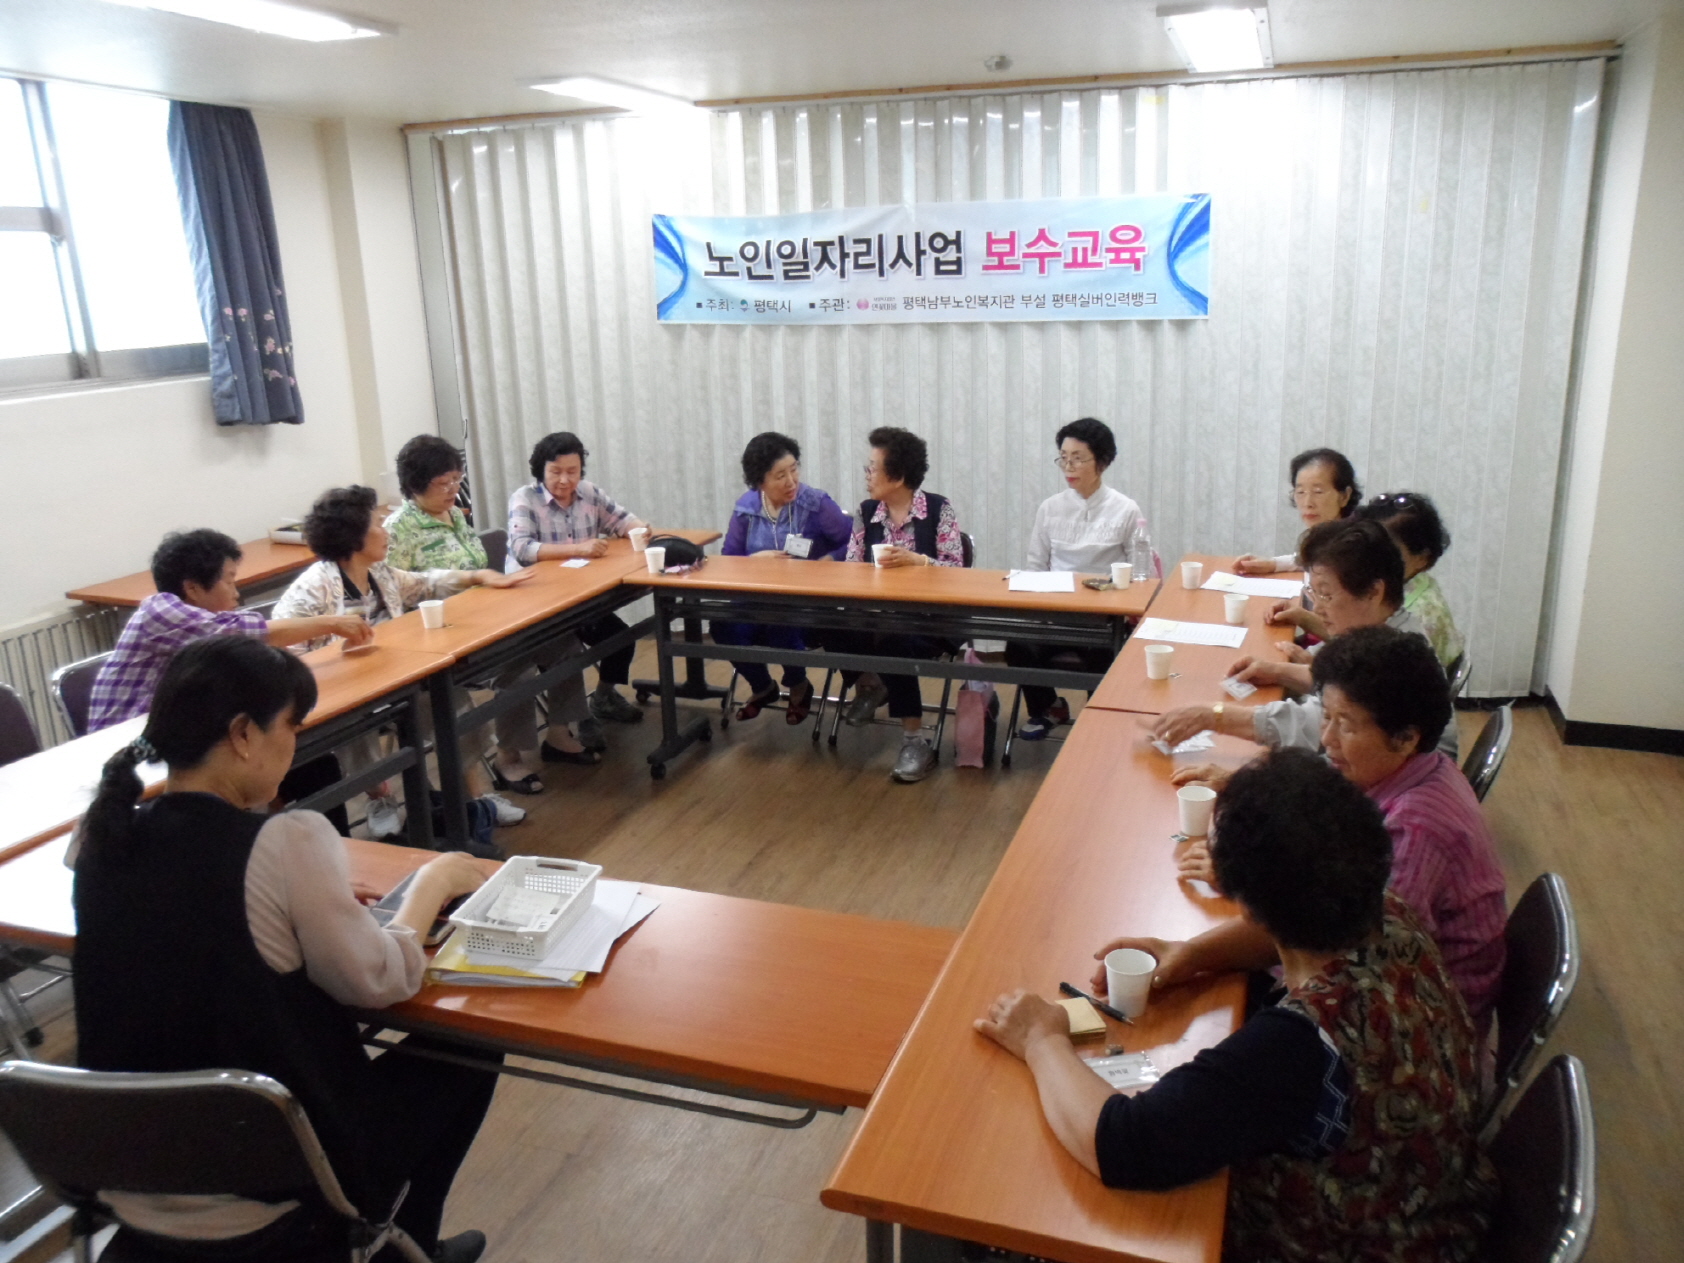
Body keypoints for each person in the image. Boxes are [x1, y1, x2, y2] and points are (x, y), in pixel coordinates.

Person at [72, 636, 496, 1263]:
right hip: (275, 1179)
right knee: (469, 1046)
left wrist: (313, 904)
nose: (296, 745)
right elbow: (380, 979)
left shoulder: (100, 836)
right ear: (243, 734)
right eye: (292, 726)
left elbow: (193, 915)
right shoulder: (286, 840)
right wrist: (433, 881)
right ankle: (401, 1246)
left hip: (128, 1166)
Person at [977, 748, 1494, 1262]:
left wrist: (1041, 1039)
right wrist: (1191, 954)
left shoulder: (1297, 1043)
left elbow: (1124, 1145)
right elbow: (1275, 932)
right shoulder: (1387, 913)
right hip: (1440, 1212)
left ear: (1245, 900)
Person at [1169, 627, 1506, 1035]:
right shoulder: (1408, 768)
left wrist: (1246, 886)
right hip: (1375, 986)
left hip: (1410, 1027)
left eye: (1345, 725)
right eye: (1326, 716)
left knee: (1195, 1014)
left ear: (1405, 738)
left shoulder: (1415, 829)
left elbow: (1340, 946)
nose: (1327, 738)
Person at [275, 486, 535, 836]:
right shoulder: (312, 588)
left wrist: (477, 576)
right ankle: (380, 798)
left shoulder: (379, 572)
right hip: (344, 691)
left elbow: (425, 583)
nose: (386, 531)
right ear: (353, 537)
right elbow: (284, 654)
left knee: (451, 704)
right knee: (354, 725)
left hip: (397, 679)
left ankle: (475, 797)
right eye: (377, 524)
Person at [1151, 517, 1458, 760]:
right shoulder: (1380, 631)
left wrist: (1212, 716)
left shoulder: (1390, 655)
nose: (1318, 608)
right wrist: (1278, 671)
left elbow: (1310, 726)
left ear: (1374, 591)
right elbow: (1341, 687)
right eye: (1313, 592)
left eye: (1326, 594)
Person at [384, 435, 561, 793]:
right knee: (517, 669)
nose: (454, 489)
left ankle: (523, 749)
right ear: (416, 485)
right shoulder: (398, 530)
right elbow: (392, 596)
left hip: (482, 623)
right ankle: (498, 768)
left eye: (457, 479)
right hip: (437, 639)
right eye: (443, 483)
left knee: (551, 647)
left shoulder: (454, 515)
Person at [87, 528, 372, 731]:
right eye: (229, 581)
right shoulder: (160, 611)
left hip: (170, 731)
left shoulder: (200, 619)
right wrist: (333, 622)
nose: (236, 593)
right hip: (124, 744)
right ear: (193, 588)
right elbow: (249, 634)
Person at [824, 426, 964, 784]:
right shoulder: (867, 511)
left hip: (927, 618)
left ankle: (915, 741)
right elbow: (851, 567)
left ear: (898, 476)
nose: (867, 475)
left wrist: (920, 562)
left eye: (873, 468)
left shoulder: (939, 510)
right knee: (825, 624)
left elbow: (958, 573)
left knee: (894, 642)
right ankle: (871, 682)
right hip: (875, 614)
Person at [1005, 418, 1148, 740]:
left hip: (1103, 619)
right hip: (1057, 614)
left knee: (1104, 653)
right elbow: (1036, 566)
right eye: (1063, 458)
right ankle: (1049, 708)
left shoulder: (1125, 510)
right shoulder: (1050, 508)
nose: (1069, 467)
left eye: (1078, 458)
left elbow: (1142, 576)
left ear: (1102, 462)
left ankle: (1100, 719)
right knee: (1018, 645)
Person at [506, 431, 649, 746]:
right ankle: (577, 718)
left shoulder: (589, 493)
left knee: (620, 639)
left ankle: (603, 698)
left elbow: (622, 520)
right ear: (541, 470)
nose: (564, 480)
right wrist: (577, 549)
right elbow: (522, 549)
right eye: (555, 472)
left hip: (580, 599)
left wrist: (641, 529)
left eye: (572, 471)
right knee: (568, 654)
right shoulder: (525, 498)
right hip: (537, 604)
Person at [711, 431, 852, 723]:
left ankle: (798, 684)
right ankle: (762, 686)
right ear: (760, 481)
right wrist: (754, 561)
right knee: (722, 625)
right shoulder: (747, 508)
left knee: (781, 620)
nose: (791, 481)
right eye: (780, 475)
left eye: (794, 469)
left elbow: (854, 542)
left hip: (807, 603)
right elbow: (728, 560)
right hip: (756, 601)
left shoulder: (815, 503)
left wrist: (828, 560)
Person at [1354, 490, 1466, 669]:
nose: (1373, 556)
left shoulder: (1419, 612)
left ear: (1422, 558)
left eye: (1388, 550)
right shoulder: (1409, 583)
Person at [1234, 446, 1361, 575]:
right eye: (1300, 492)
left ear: (1344, 496)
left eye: (1318, 492)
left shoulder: (1357, 543)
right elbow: (1309, 560)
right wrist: (1272, 564)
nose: (1307, 503)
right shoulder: (1325, 538)